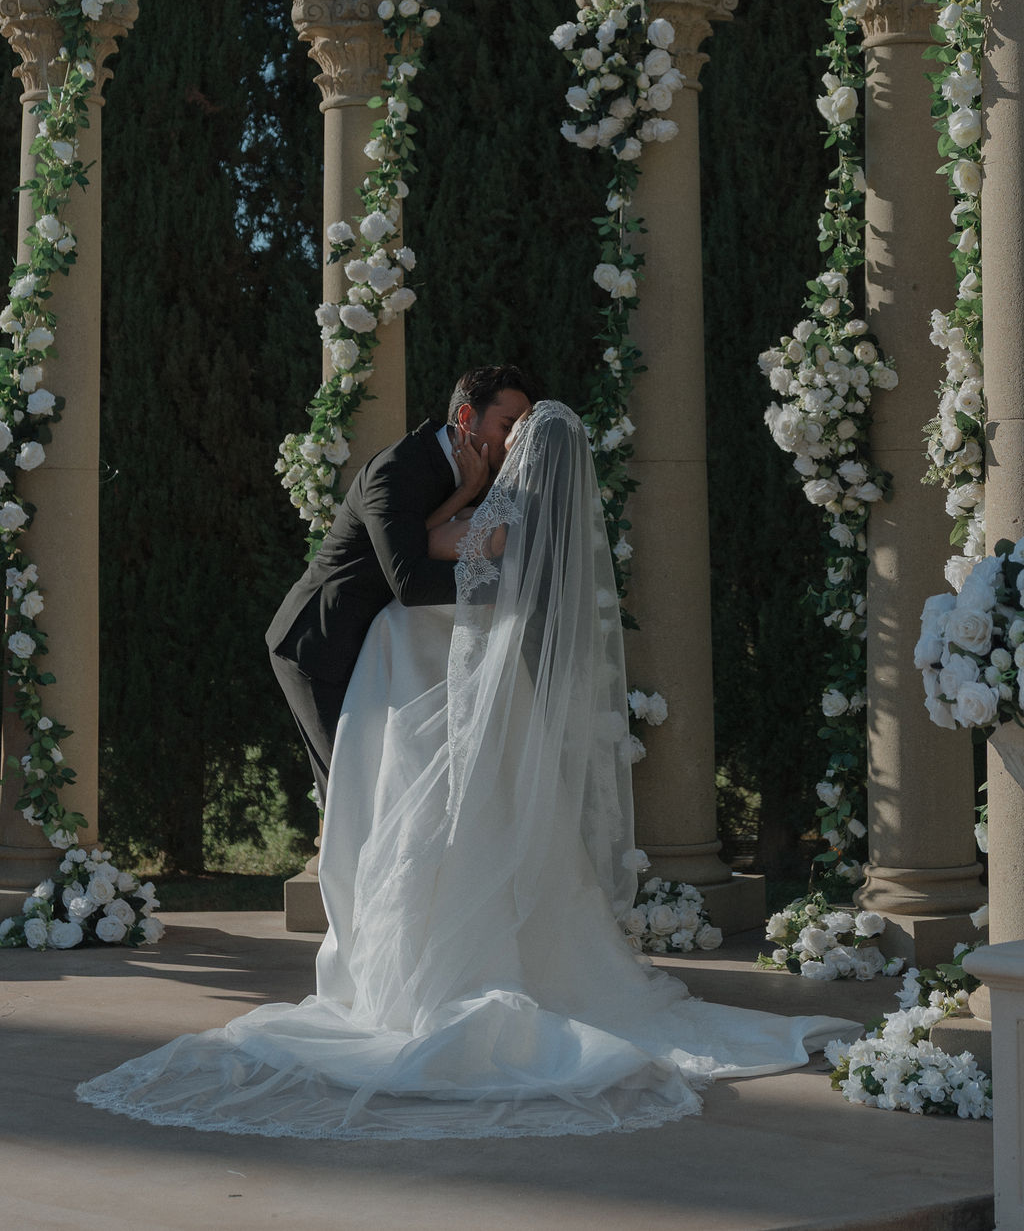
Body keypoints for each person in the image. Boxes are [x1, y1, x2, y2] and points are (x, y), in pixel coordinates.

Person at [78, 401, 859, 1139]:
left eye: (518, 429)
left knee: (424, 814)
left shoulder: (501, 509)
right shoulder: (519, 511)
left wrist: (466, 499)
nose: (506, 437)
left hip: (432, 660)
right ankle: (474, 950)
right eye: (506, 421)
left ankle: (429, 971)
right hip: (469, 671)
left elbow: (424, 556)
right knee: (477, 808)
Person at [265, 364, 534, 807]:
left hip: (375, 649)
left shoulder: (475, 475)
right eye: (507, 426)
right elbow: (409, 580)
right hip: (320, 645)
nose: (514, 442)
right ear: (467, 417)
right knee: (351, 796)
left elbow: (423, 538)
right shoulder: (398, 469)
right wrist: (507, 586)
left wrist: (466, 493)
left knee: (386, 791)